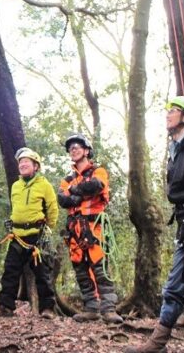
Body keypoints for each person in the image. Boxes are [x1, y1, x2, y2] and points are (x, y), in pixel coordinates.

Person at [125, 96, 184, 352]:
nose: (168, 114)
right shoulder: (175, 148)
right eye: (168, 110)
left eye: (175, 111)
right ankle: (156, 344)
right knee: (174, 286)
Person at [57, 134, 123, 324]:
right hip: (74, 229)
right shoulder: (67, 178)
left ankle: (109, 309)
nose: (74, 150)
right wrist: (78, 192)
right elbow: (62, 199)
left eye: (77, 147)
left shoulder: (98, 171)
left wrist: (75, 191)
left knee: (101, 268)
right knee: (80, 269)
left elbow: (96, 186)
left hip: (95, 227)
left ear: (86, 150)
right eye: (71, 148)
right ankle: (91, 308)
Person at [0, 148, 58, 319]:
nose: (23, 164)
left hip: (37, 236)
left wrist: (48, 228)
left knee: (42, 273)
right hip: (17, 235)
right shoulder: (16, 186)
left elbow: (52, 208)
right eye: (21, 162)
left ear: (36, 166)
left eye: (27, 161)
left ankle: (48, 308)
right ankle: (5, 306)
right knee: (10, 270)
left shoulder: (44, 185)